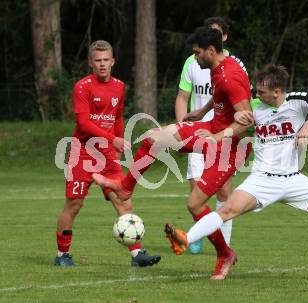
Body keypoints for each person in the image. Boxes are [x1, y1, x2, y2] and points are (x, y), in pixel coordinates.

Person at [164, 64, 308, 282]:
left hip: (294, 180)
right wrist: (215, 137)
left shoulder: (297, 101)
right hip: (262, 179)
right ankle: (186, 238)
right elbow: (236, 128)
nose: (256, 95)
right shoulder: (254, 107)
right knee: (227, 210)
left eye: (261, 91)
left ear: (277, 92)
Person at [92, 27, 253, 280]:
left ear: (211, 51)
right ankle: (125, 187)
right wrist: (202, 113)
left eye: (198, 53)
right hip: (210, 130)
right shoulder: (219, 68)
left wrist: (216, 136)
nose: (195, 58)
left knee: (194, 204)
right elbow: (221, 95)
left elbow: (246, 121)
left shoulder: (231, 75)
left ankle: (225, 255)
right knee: (154, 138)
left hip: (230, 147)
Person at [54, 40, 161, 267]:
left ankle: (137, 254)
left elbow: (118, 117)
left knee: (123, 200)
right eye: (97, 60)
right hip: (82, 152)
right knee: (74, 204)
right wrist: (113, 139)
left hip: (107, 154)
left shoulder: (120, 86)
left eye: (106, 60)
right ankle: (62, 254)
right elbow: (83, 122)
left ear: (113, 61)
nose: (102, 65)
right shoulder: (82, 87)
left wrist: (117, 145)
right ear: (90, 63)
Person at [175, 17, 245, 254]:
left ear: (222, 39)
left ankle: (223, 246)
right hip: (201, 132)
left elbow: (242, 105)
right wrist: (182, 124)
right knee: (196, 191)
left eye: (216, 33)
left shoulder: (233, 67)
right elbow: (183, 96)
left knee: (224, 192)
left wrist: (223, 133)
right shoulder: (193, 62)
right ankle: (198, 234)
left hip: (223, 137)